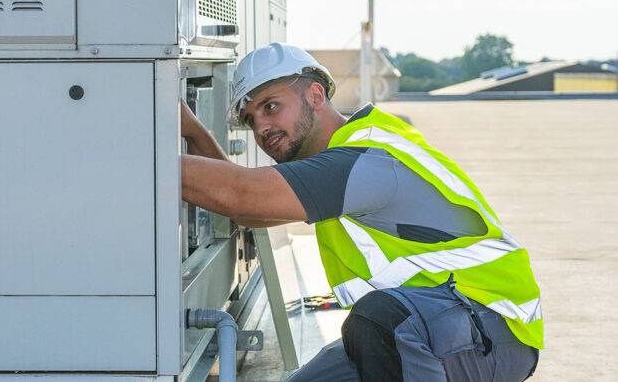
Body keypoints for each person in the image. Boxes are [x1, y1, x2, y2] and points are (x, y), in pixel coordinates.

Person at [181, 42, 542, 381]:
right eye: (250, 119)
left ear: (315, 95)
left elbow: (242, 194)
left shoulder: (366, 159)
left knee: (377, 319)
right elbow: (250, 213)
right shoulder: (338, 161)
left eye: (270, 106)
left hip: (491, 329)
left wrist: (140, 153)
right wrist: (191, 129)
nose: (260, 127)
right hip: (432, 324)